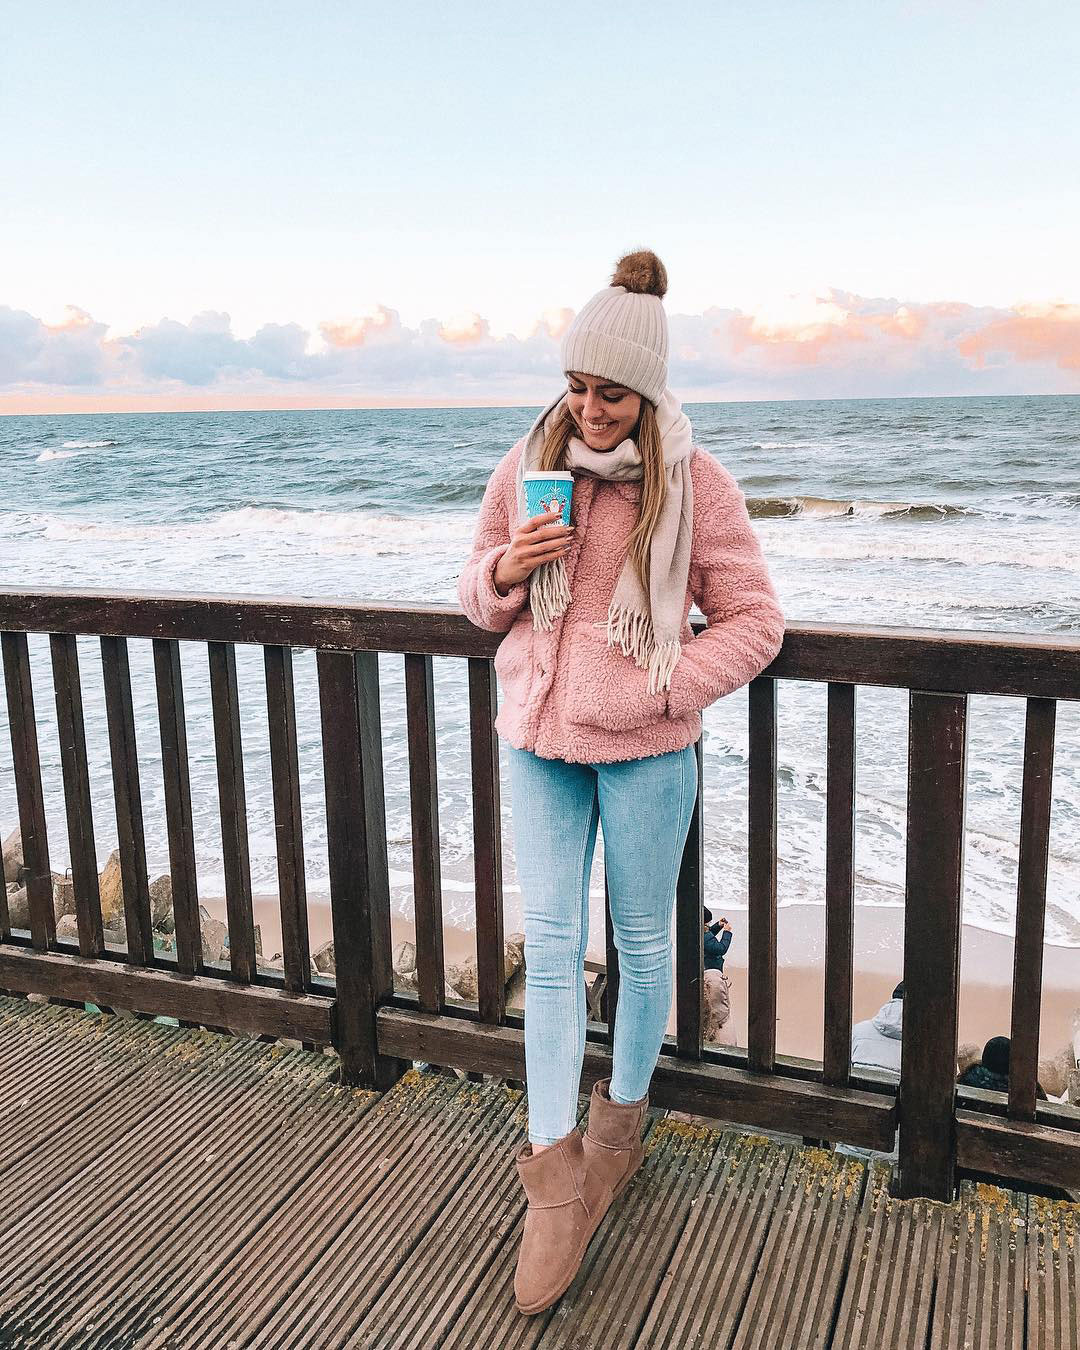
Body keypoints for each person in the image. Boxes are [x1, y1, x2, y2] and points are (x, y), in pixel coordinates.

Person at [456, 249, 785, 1316]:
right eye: (578, 386)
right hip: (537, 738)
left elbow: (754, 623)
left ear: (648, 390)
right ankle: (553, 1182)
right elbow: (472, 595)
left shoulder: (698, 482)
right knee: (550, 948)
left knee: (645, 950)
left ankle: (621, 1128)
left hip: (645, 750)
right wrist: (508, 570)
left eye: (611, 391)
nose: (589, 408)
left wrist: (660, 689)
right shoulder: (528, 460)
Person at [702, 907, 734, 1044]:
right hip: (712, 971)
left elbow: (708, 939)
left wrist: (718, 926)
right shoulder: (703, 934)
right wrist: (727, 933)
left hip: (705, 968)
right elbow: (720, 948)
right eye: (707, 924)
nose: (708, 927)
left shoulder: (696, 931)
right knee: (717, 999)